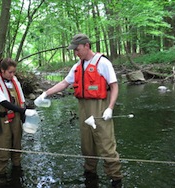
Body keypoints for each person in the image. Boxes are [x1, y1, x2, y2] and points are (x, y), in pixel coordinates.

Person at [35, 34, 123, 188]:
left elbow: (114, 86)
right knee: (87, 145)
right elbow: (64, 83)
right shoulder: (77, 66)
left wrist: (110, 108)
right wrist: (45, 93)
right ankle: (90, 175)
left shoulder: (103, 63)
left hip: (100, 107)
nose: (76, 52)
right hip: (83, 107)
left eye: (78, 49)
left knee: (106, 145)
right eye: (74, 50)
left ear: (87, 46)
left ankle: (116, 179)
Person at [0, 58, 36, 187]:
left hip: (15, 118)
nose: (13, 75)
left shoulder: (14, 81)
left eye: (14, 72)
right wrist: (23, 111)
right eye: (10, 72)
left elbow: (21, 100)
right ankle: (0, 176)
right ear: (2, 71)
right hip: (0, 120)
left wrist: (23, 116)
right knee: (2, 150)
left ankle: (17, 173)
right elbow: (4, 102)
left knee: (16, 146)